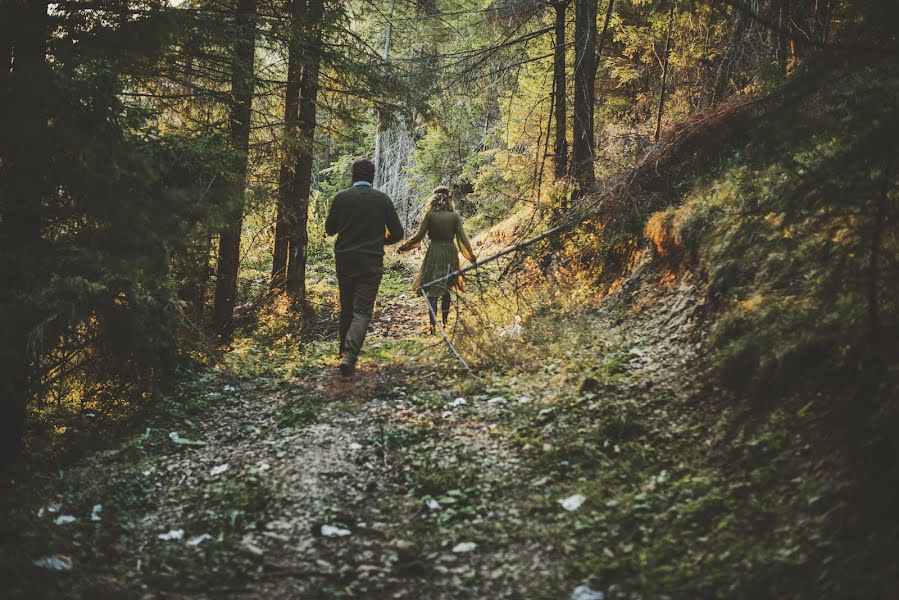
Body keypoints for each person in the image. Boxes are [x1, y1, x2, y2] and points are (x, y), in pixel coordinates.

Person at [325, 158, 404, 376]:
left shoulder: (341, 198)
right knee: (361, 312)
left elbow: (329, 229)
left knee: (346, 310)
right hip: (370, 263)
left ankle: (342, 352)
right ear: (372, 177)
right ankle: (350, 356)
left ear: (353, 176)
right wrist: (380, 241)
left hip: (344, 261)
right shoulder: (382, 200)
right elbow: (397, 233)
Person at [397, 186, 476, 333]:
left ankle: (433, 325)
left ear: (433, 198)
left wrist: (404, 246)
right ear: (448, 198)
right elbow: (462, 239)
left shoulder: (430, 215)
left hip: (434, 252)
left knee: (432, 288)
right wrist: (471, 257)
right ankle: (445, 322)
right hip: (450, 252)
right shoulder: (455, 216)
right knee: (447, 287)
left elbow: (419, 236)